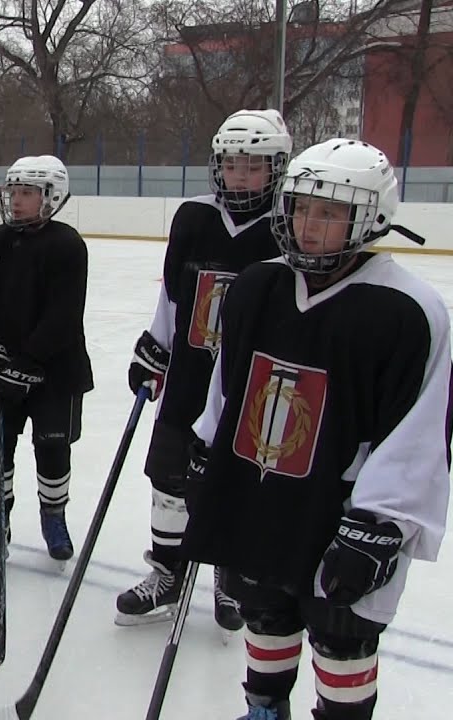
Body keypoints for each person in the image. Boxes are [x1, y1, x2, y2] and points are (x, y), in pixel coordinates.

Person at [181, 138, 450, 720]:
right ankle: (264, 708)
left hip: (345, 510)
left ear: (370, 216)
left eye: (329, 212)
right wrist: (207, 454)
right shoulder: (259, 286)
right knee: (265, 610)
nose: (309, 225)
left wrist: (383, 524)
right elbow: (229, 388)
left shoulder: (408, 310)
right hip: (264, 494)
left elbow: (420, 431)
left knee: (341, 636)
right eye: (301, 208)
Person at [119, 109, 291, 631]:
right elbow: (175, 293)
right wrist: (154, 344)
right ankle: (168, 573)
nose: (241, 174)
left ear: (276, 168)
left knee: (232, 482)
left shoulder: (286, 226)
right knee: (168, 477)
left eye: (254, 165)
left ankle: (227, 576)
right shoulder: (193, 217)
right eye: (232, 163)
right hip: (191, 373)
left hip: (251, 384)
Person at [0, 155, 92, 566]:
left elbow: (64, 315)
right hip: (4, 369)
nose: (16, 200)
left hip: (56, 371)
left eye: (27, 193)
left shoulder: (67, 245)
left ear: (52, 197)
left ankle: (53, 517)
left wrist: (29, 363)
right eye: (13, 191)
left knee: (52, 447)